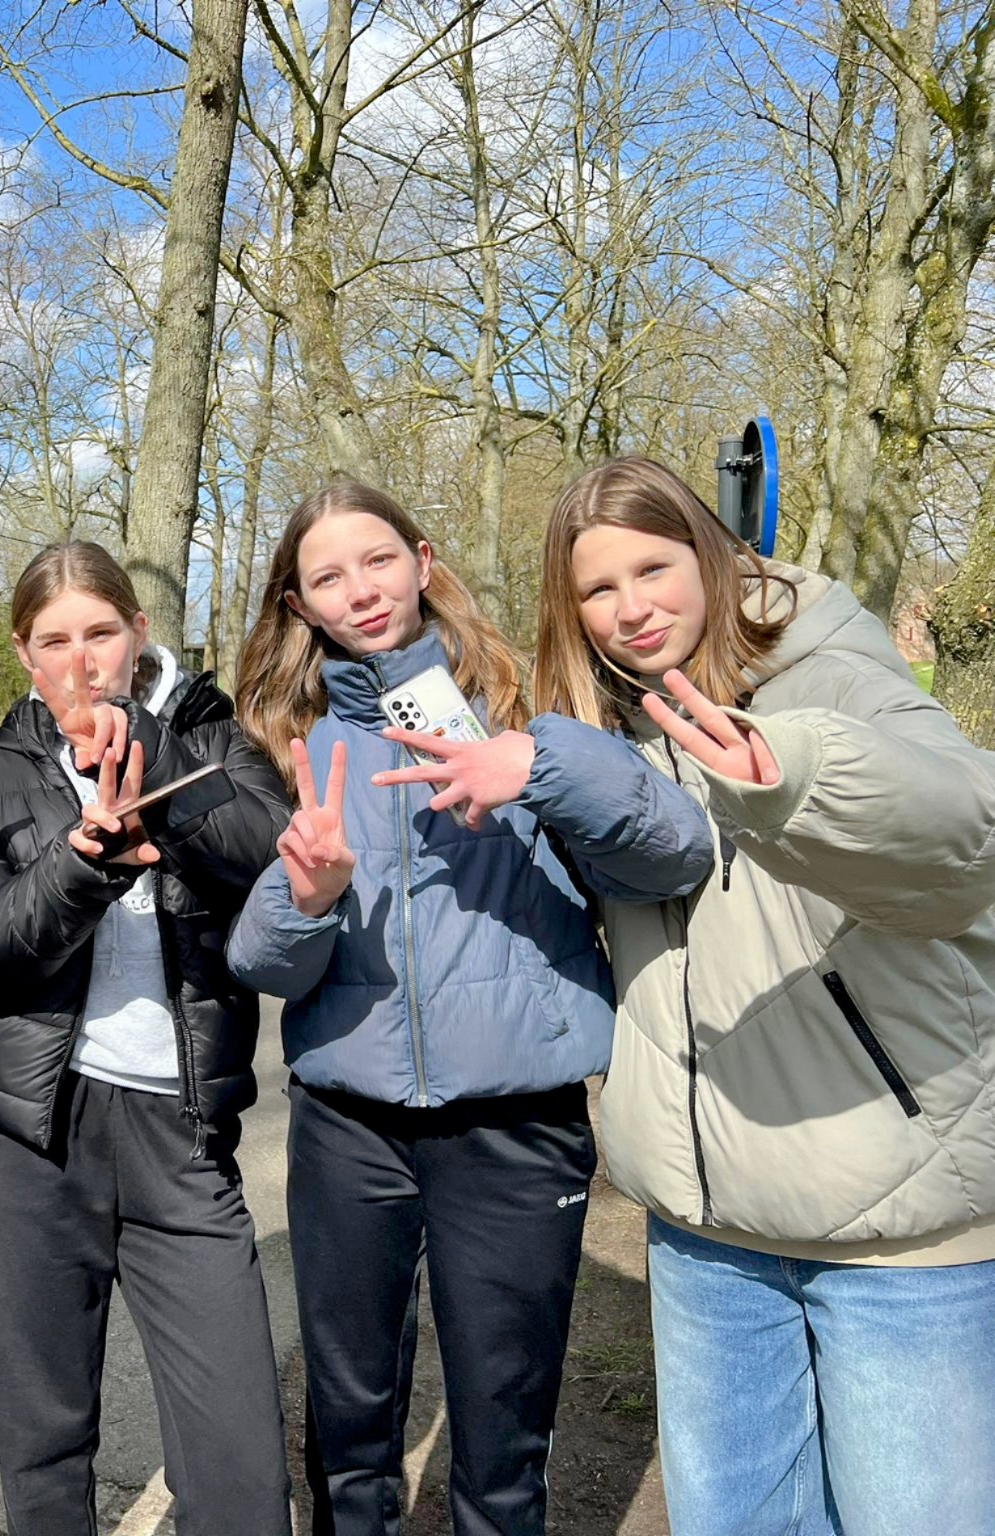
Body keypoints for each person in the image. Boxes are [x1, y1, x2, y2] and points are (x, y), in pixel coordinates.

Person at [226, 482, 709, 1536]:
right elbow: (262, 965)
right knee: (348, 1423)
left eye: (377, 560)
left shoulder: (530, 703)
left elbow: (672, 853)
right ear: (299, 605)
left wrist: (538, 767)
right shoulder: (290, 742)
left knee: (502, 1429)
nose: (359, 591)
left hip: (515, 1127)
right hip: (346, 1128)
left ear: (423, 560)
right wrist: (307, 898)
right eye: (326, 577)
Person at [528, 455, 995, 1535]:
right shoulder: (606, 734)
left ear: (713, 555)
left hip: (893, 1224)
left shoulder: (829, 669)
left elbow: (966, 832)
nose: (630, 609)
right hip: (706, 1234)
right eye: (597, 588)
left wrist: (791, 776)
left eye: (653, 568)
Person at [0, 539, 294, 1535]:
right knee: (42, 1445)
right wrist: (80, 867)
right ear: (22, 653)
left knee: (238, 1467)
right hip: (27, 1138)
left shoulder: (213, 737)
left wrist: (153, 760)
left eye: (100, 633)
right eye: (53, 642)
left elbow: (269, 856)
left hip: (180, 1129)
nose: (81, 662)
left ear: (139, 633)